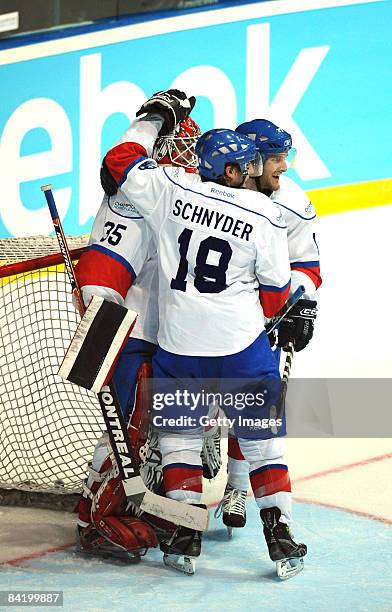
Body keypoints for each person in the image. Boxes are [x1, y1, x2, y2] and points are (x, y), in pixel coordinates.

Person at [101, 89, 307, 578]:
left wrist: (154, 119)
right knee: (263, 443)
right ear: (235, 172)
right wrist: (296, 317)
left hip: (179, 347)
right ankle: (279, 535)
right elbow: (276, 301)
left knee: (179, 441)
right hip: (241, 351)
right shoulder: (267, 219)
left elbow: (120, 159)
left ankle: (187, 534)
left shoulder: (171, 187)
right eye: (249, 165)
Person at [74, 114, 202, 560]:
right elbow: (98, 277)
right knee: (125, 425)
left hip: (169, 333)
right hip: (132, 333)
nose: (191, 157)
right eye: (183, 146)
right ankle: (94, 515)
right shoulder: (133, 201)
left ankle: (144, 502)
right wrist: (104, 342)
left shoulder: (176, 192)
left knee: (159, 427)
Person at [215, 119, 321, 541]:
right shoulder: (216, 191)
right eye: (276, 158)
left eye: (285, 157)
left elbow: (308, 265)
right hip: (209, 315)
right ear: (251, 162)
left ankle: (237, 487)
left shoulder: (292, 203)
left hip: (260, 321)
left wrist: (299, 306)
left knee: (252, 411)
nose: (285, 167)